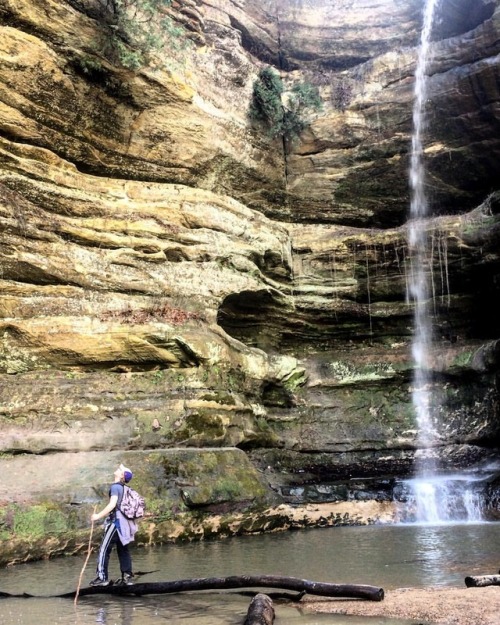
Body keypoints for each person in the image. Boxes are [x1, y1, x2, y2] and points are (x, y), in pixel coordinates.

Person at [89, 463, 138, 586]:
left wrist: (97, 516)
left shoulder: (116, 487)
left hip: (116, 523)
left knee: (104, 550)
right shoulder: (124, 488)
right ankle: (127, 577)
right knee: (123, 550)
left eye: (120, 470)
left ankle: (102, 578)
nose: (117, 469)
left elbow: (112, 505)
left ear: (122, 476)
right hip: (125, 524)